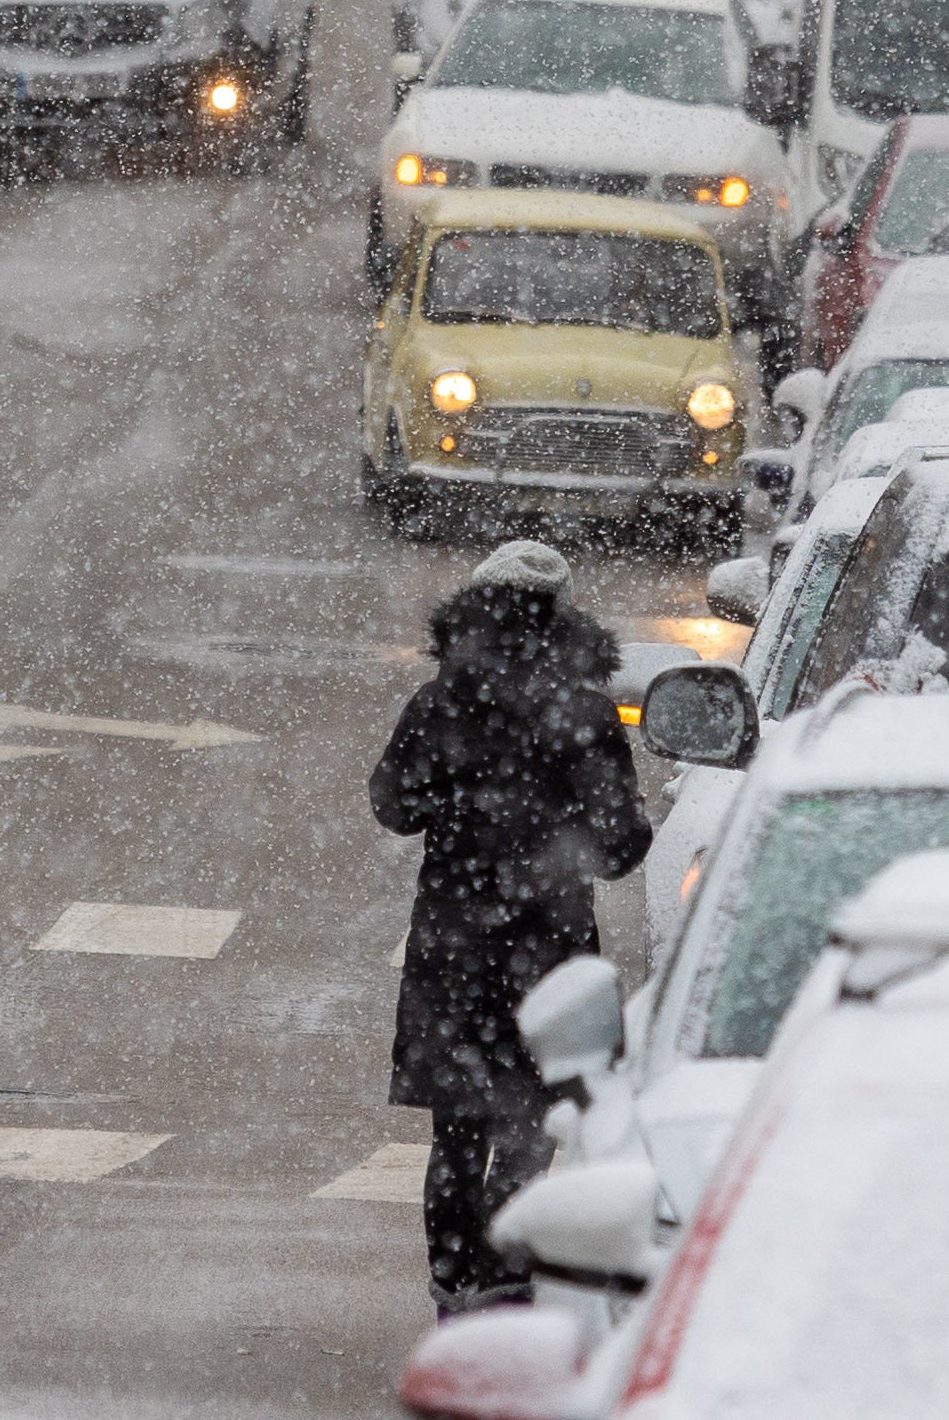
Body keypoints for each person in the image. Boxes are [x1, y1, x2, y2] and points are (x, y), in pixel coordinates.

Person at [370, 540, 651, 1317]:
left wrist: (457, 812)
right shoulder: (585, 712)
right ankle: (503, 1266)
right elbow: (623, 846)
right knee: (529, 1120)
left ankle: (453, 1281)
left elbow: (392, 805)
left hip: (453, 948)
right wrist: (566, 840)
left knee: (457, 1127)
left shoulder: (438, 702)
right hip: (548, 952)